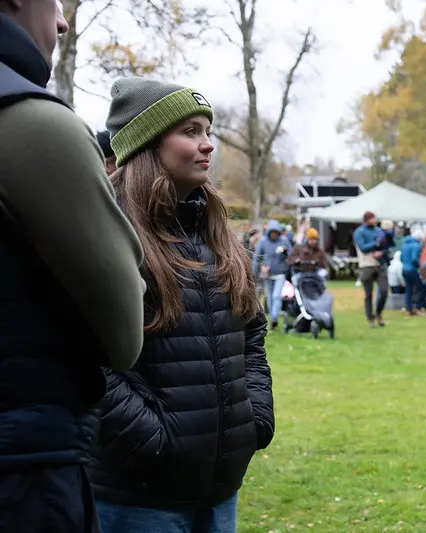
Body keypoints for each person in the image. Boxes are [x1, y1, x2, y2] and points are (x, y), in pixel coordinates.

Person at [88, 77, 274, 533]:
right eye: (190, 131)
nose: (208, 145)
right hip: (138, 499)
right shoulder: (107, 234)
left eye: (208, 131)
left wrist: (255, 417)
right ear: (146, 143)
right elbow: (83, 356)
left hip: (220, 490)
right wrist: (157, 441)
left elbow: (251, 332)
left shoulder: (217, 233)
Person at [0, 2, 146, 530]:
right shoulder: (29, 121)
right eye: (53, 1)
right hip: (22, 474)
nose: (62, 22)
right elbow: (126, 335)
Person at [252, 220, 292, 330]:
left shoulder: (284, 240)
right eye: (272, 232)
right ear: (269, 232)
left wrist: (285, 252)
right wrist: (254, 271)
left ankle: (274, 317)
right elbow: (256, 257)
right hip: (267, 274)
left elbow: (291, 254)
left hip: (280, 274)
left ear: (279, 232)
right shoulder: (263, 242)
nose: (274, 234)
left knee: (276, 296)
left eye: (276, 232)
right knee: (269, 296)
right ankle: (272, 317)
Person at [353, 211, 388, 327]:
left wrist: (381, 251)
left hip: (380, 265)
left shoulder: (378, 230)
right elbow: (363, 247)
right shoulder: (359, 232)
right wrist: (375, 243)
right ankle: (370, 318)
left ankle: (378, 313)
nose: (375, 220)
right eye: (373, 218)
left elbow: (385, 246)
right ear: (367, 220)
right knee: (368, 294)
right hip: (366, 266)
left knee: (384, 291)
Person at [400, 230, 426, 315]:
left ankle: (409, 309)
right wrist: (419, 265)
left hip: (404, 269)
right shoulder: (415, 245)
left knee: (409, 289)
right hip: (412, 270)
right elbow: (414, 258)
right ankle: (418, 308)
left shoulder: (404, 244)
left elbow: (401, 258)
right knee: (422, 288)